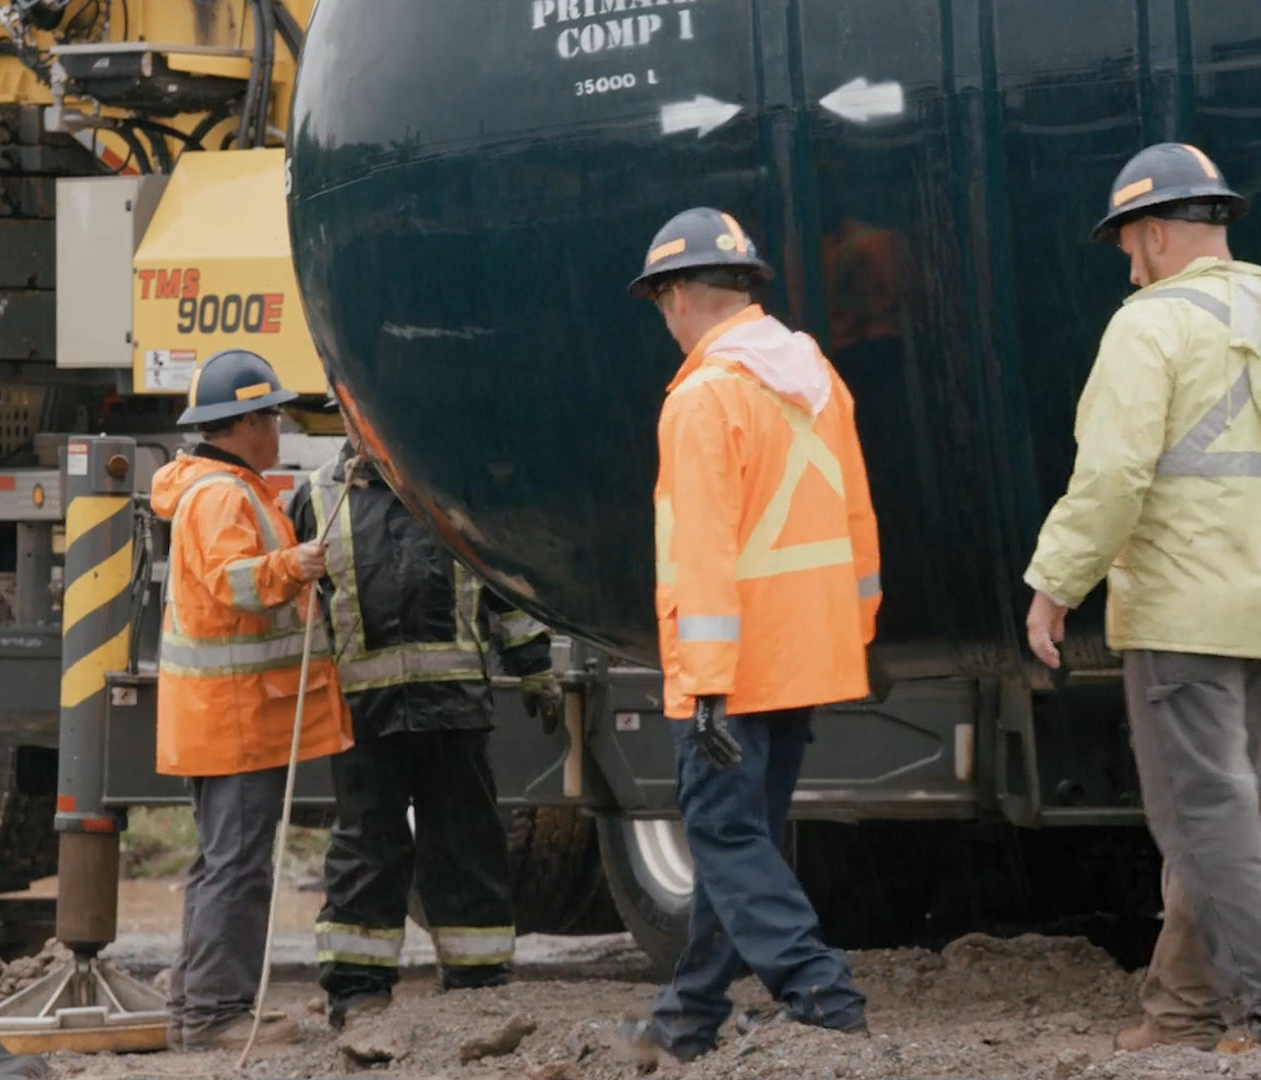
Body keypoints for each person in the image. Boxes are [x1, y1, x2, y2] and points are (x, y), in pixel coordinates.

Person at [1021, 143, 1261, 1051]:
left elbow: (1113, 474)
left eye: (1127, 244)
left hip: (1182, 618)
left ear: (1155, 233)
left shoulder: (1148, 327)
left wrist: (1054, 581)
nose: (1127, 263)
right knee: (1217, 816)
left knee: (1203, 821)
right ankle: (1180, 1011)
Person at [619, 207, 883, 1062]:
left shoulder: (704, 398)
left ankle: (819, 990)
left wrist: (702, 685)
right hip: (803, 655)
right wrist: (853, 630)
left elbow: (700, 554)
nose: (664, 322)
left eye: (662, 302)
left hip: (730, 667)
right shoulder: (814, 378)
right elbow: (857, 522)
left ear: (682, 293)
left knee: (725, 839)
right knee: (744, 845)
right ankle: (689, 1015)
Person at [290, 404, 562, 1030]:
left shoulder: (453, 489)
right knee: (368, 845)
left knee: (466, 841)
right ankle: (358, 993)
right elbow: (297, 603)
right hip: (365, 710)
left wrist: (534, 665)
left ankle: (477, 981)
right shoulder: (315, 496)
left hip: (453, 704)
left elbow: (504, 587)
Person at [153, 349, 354, 1051]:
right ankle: (213, 1013)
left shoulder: (228, 487)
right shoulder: (220, 496)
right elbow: (234, 583)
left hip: (227, 716)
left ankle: (197, 1002)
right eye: (269, 415)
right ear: (240, 424)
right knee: (236, 865)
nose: (277, 428)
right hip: (234, 715)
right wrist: (292, 566)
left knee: (222, 862)